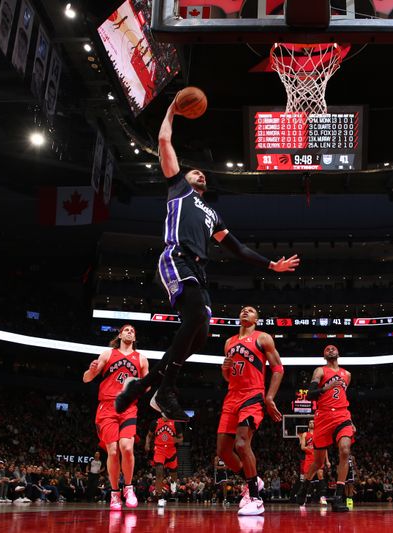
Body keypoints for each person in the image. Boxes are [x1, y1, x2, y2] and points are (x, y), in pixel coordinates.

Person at [114, 96, 299, 422]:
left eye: (203, 174)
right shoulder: (177, 190)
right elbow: (163, 140)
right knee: (197, 315)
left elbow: (237, 249)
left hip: (197, 270)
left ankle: (144, 386)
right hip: (176, 258)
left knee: (201, 332)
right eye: (194, 171)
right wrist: (172, 110)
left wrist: (271, 265)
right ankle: (164, 390)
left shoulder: (213, 214)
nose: (199, 173)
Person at [216, 306, 285, 516]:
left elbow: (278, 368)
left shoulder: (262, 338)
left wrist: (269, 396)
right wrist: (224, 369)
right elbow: (229, 377)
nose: (245, 312)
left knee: (241, 443)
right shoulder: (229, 342)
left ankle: (255, 497)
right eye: (243, 310)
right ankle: (253, 479)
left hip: (252, 395)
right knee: (223, 452)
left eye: (251, 310)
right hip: (231, 397)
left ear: (257, 318)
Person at [83, 324, 149, 511]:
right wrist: (91, 369)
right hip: (107, 407)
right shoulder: (107, 354)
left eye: (133, 331)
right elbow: (87, 378)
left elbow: (148, 387)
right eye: (126, 330)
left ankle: (128, 487)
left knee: (127, 448)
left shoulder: (142, 359)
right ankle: (114, 493)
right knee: (112, 452)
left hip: (128, 407)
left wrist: (143, 384)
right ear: (120, 335)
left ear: (135, 338)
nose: (129, 332)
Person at [300, 345, 356, 512]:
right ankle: (304, 487)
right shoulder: (320, 371)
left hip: (342, 415)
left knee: (345, 450)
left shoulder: (347, 374)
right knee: (318, 462)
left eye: (333, 348)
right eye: (327, 349)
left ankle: (339, 497)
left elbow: (343, 397)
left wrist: (350, 419)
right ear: (324, 355)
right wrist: (326, 388)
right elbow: (310, 395)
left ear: (339, 353)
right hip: (323, 416)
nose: (331, 350)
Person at [146, 415, 183, 507]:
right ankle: (160, 497)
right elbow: (149, 435)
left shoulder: (176, 423)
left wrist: (177, 440)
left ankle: (173, 484)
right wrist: (147, 443)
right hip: (159, 450)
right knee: (159, 472)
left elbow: (181, 439)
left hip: (171, 451)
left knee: (173, 473)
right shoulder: (155, 423)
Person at [298, 419, 329, 505]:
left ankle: (322, 497)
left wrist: (327, 461)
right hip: (309, 458)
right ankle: (303, 497)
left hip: (318, 457)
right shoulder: (305, 434)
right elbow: (302, 447)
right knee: (306, 477)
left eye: (313, 422)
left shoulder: (319, 433)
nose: (311, 423)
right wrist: (310, 449)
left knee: (320, 475)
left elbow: (324, 448)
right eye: (310, 422)